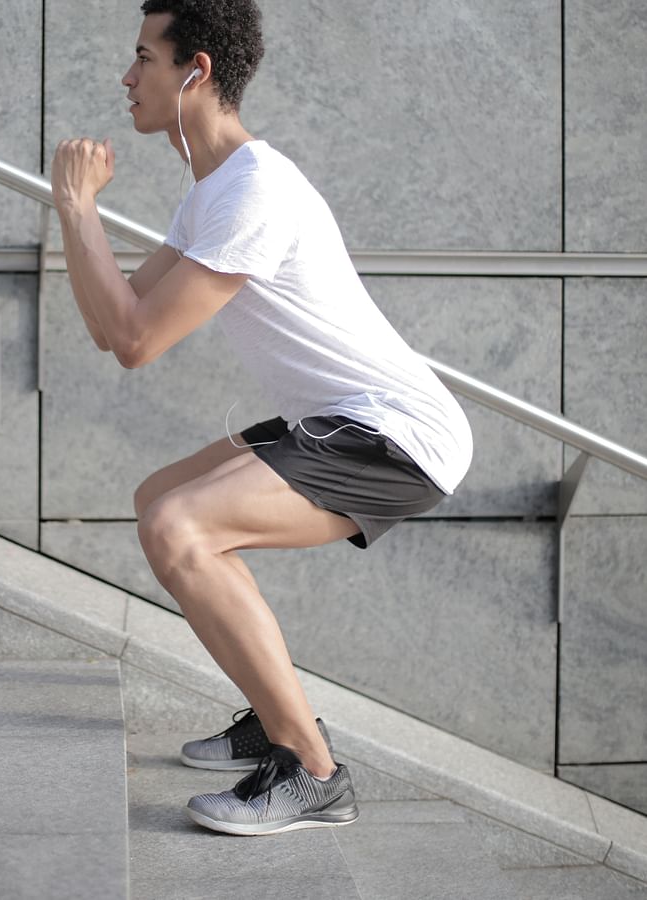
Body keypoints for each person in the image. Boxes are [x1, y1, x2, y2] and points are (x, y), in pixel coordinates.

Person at [50, 0, 473, 836]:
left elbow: (134, 341)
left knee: (179, 526)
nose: (127, 77)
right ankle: (273, 714)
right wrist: (77, 213)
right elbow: (114, 322)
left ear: (195, 71)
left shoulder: (254, 188)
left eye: (144, 57)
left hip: (396, 432)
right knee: (158, 496)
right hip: (338, 418)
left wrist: (77, 208)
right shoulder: (211, 192)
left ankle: (312, 768)